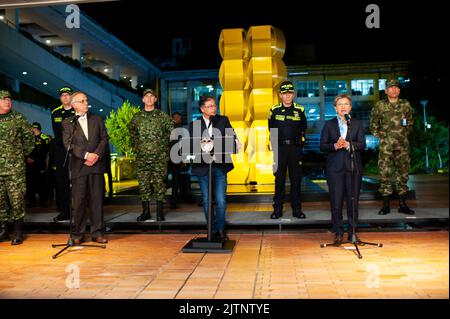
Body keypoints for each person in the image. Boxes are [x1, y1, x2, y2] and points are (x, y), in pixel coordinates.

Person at [188, 95, 240, 240]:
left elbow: (232, 139)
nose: (213, 108)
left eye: (214, 105)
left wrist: (216, 145)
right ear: (202, 109)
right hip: (203, 167)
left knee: (221, 200)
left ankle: (221, 229)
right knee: (206, 200)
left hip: (220, 166)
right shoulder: (195, 125)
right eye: (210, 106)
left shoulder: (223, 120)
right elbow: (192, 146)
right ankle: (211, 229)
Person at [62, 92, 109, 244]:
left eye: (86, 100)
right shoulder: (68, 122)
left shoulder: (97, 119)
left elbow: (104, 139)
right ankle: (77, 234)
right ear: (74, 104)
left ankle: (97, 233)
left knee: (96, 201)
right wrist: (86, 155)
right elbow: (68, 144)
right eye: (82, 101)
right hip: (79, 167)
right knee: (80, 202)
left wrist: (95, 155)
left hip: (96, 166)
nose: (85, 103)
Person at [320, 94, 366, 244]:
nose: (343, 107)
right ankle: (338, 232)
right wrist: (335, 145)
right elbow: (322, 146)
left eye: (346, 104)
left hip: (353, 167)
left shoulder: (357, 124)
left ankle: (352, 232)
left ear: (350, 107)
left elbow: (363, 144)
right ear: (335, 108)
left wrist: (348, 145)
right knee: (336, 201)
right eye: (340, 104)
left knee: (353, 201)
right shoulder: (329, 124)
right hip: (335, 169)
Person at [370, 79, 415, 215]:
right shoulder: (380, 106)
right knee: (385, 174)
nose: (393, 90)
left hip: (403, 146)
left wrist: (402, 135)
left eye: (396, 88)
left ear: (399, 90)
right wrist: (383, 137)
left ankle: (402, 204)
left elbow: (410, 123)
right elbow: (373, 124)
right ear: (386, 91)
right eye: (391, 88)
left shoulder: (405, 105)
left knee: (403, 174)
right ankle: (386, 205)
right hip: (386, 147)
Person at [129, 88, 173, 221]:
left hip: (159, 158)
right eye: (146, 96)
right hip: (142, 158)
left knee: (159, 184)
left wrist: (163, 148)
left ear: (155, 99)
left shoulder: (163, 116)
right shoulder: (137, 117)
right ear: (143, 99)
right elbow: (132, 134)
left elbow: (172, 133)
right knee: (143, 184)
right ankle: (145, 212)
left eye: (151, 96)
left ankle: (160, 212)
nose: (149, 99)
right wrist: (138, 149)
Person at [268, 81, 307, 219]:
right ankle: (277, 210)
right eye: (285, 93)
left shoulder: (300, 110)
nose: (287, 96)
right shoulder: (274, 110)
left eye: (290, 93)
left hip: (295, 149)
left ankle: (297, 210)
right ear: (280, 95)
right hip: (280, 149)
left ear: (293, 94)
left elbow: (303, 128)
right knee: (279, 181)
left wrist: (300, 142)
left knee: (296, 180)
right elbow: (271, 130)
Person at [0, 90, 35, 245]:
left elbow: (29, 139)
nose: (8, 102)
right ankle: (3, 230)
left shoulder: (18, 118)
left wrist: (19, 155)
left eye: (9, 99)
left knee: (17, 199)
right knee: (0, 201)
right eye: (4, 99)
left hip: (15, 169)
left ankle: (18, 230)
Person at [51, 87, 76, 221]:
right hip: (61, 151)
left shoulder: (76, 110)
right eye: (63, 95)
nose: (65, 97)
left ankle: (79, 211)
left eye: (68, 95)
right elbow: (57, 134)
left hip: (77, 150)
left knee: (78, 181)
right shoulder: (55, 113)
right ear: (60, 98)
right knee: (62, 181)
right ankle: (65, 210)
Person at [25, 122, 50, 207]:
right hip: (30, 165)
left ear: (37, 128)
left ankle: (43, 202)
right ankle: (31, 202)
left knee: (42, 183)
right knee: (30, 183)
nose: (33, 129)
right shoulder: (29, 138)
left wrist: (34, 159)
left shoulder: (44, 137)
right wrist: (28, 157)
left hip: (40, 164)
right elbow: (26, 149)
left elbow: (45, 151)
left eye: (34, 128)